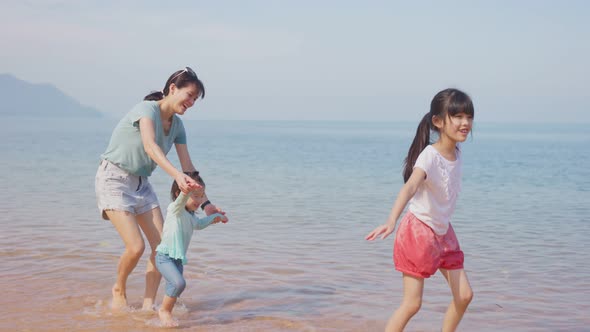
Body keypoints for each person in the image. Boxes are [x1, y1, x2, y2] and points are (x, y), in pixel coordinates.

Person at [94, 66, 226, 310]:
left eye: (195, 99)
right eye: (189, 95)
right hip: (114, 178)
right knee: (136, 247)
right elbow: (149, 146)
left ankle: (148, 306)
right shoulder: (146, 109)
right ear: (173, 89)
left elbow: (189, 169)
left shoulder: (177, 126)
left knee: (162, 249)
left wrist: (206, 205)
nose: (191, 103)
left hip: (142, 184)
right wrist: (176, 175)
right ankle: (119, 288)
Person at [365, 88, 475, 332]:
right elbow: (410, 187)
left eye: (468, 116)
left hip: (444, 232)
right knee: (412, 304)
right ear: (438, 121)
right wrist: (391, 221)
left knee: (464, 296)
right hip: (419, 232)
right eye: (457, 117)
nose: (465, 122)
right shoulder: (429, 156)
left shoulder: (456, 152)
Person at [155, 173, 228, 327]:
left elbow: (200, 224)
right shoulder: (175, 209)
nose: (199, 200)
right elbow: (182, 199)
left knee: (176, 288)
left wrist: (216, 217)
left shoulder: (191, 216)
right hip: (164, 257)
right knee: (179, 283)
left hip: (178, 259)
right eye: (195, 195)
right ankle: (164, 311)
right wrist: (185, 190)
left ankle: (166, 310)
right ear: (179, 193)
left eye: (201, 197)